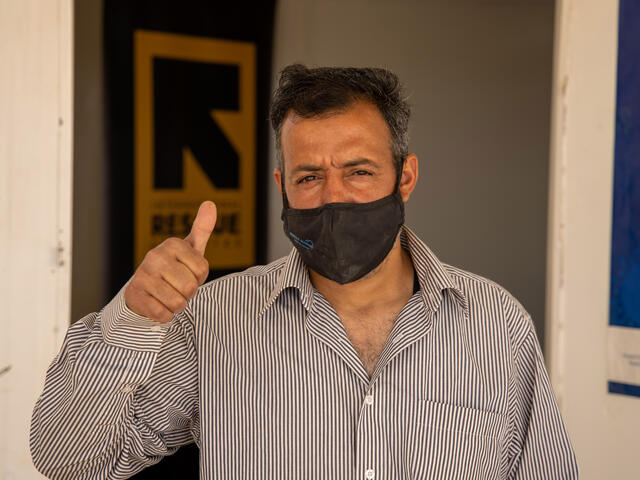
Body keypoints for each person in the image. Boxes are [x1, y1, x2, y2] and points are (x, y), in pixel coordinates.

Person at [30, 64, 578, 479]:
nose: (333, 197)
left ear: (405, 177)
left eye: (359, 171)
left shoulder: (497, 324)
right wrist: (132, 318)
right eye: (310, 176)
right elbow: (69, 459)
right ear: (281, 187)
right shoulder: (216, 318)